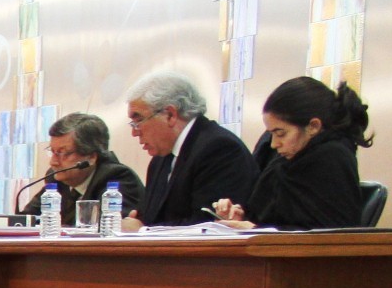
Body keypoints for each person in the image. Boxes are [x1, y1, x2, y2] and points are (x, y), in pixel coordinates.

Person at [214, 77, 373, 231]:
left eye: (281, 134)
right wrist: (241, 217)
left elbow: (328, 235)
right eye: (271, 134)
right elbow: (277, 220)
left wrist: (256, 229)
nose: (274, 144)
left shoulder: (331, 159)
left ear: (313, 126)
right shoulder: (288, 158)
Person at [125, 72, 257, 227]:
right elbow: (149, 217)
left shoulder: (219, 149)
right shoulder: (160, 159)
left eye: (139, 121)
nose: (134, 132)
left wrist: (143, 231)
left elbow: (208, 225)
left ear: (170, 115)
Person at [17, 112, 144, 220]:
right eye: (52, 152)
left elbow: (103, 231)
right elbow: (26, 221)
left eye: (63, 153)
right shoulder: (57, 179)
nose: (53, 162)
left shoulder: (118, 179)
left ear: (91, 157)